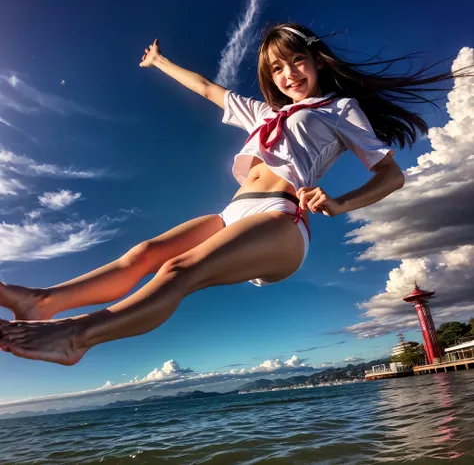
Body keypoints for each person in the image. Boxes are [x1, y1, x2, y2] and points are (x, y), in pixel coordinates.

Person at [0, 23, 470, 365]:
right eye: (277, 68)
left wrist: (339, 202)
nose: (288, 74)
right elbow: (206, 88)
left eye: (296, 61)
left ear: (319, 60)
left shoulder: (338, 108)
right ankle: (42, 302)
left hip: (282, 220)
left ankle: (76, 337)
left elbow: (391, 175)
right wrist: (159, 62)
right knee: (143, 253)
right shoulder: (261, 113)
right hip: (233, 214)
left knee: (177, 269)